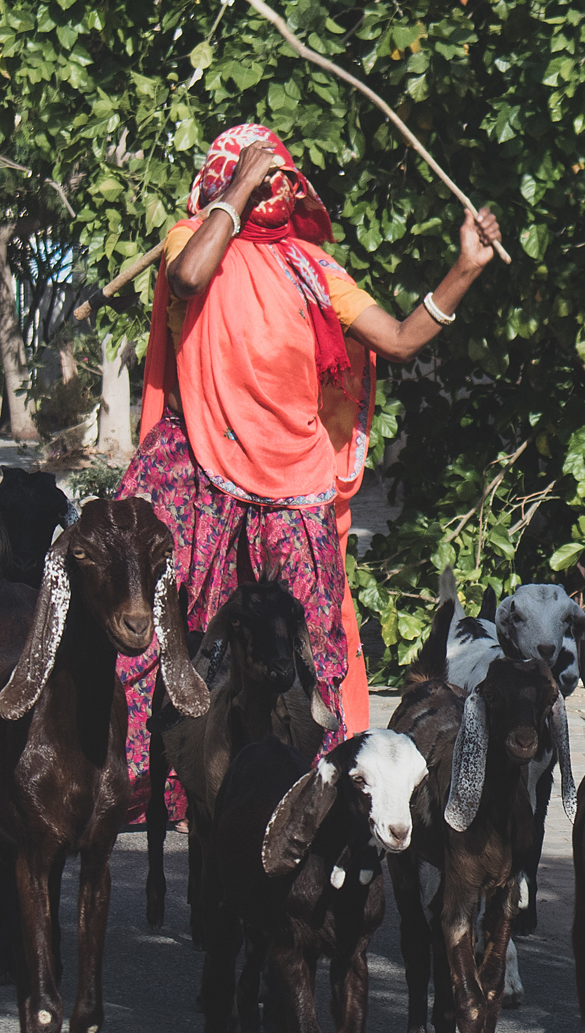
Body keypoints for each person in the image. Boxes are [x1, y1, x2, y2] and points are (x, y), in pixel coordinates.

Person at [116, 122, 502, 822]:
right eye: (255, 174)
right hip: (195, 460)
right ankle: (132, 779)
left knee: (309, 647)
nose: (270, 186)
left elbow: (401, 338)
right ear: (225, 179)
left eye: (275, 176)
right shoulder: (191, 238)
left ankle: (313, 792)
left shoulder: (314, 269)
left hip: (292, 481)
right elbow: (188, 278)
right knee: (134, 596)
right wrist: (235, 192)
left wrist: (466, 267)